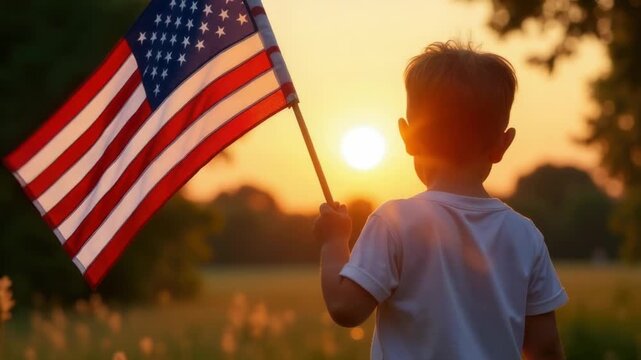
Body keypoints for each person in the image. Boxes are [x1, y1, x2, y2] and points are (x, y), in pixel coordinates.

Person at [313, 41, 568, 360]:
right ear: (503, 144)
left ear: (407, 136)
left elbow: (344, 307)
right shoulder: (525, 234)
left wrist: (334, 240)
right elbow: (544, 348)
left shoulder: (394, 222)